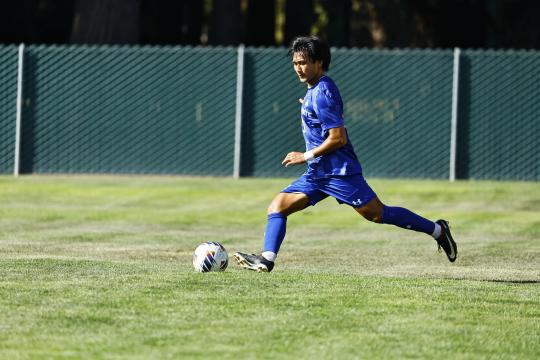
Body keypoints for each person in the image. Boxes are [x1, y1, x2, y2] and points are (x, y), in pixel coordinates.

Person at [234, 36, 457, 272]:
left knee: (378, 214)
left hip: (339, 172)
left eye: (304, 62)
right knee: (278, 206)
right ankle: (266, 259)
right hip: (318, 173)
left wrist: (305, 156)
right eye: (295, 63)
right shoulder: (314, 90)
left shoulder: (322, 92)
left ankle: (438, 230)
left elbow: (338, 138)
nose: (298, 68)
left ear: (319, 62)